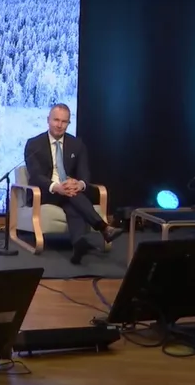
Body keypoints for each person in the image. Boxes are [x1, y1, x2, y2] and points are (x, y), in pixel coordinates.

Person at [23, 103, 123, 265]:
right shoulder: (34, 144)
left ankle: (78, 245)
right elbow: (36, 176)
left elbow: (84, 173)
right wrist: (57, 187)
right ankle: (104, 228)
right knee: (73, 195)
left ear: (69, 123)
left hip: (68, 192)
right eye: (56, 120)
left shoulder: (77, 144)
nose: (59, 125)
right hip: (45, 192)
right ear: (48, 120)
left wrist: (80, 184)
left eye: (64, 121)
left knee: (72, 201)